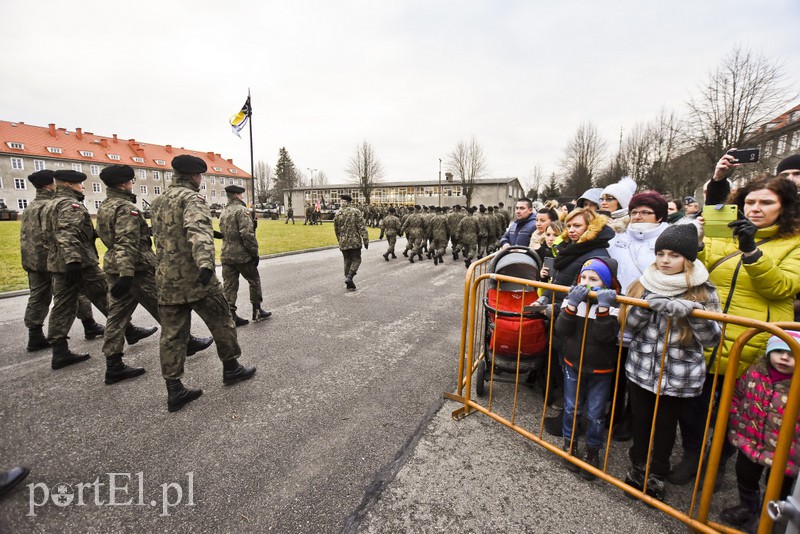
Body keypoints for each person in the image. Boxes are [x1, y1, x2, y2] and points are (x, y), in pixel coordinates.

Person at [673, 172, 800, 488]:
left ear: (784, 207)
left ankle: (716, 463)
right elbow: (698, 268)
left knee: (733, 411)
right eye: (750, 202)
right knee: (693, 403)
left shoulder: (794, 242)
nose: (756, 208)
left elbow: (782, 287)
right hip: (708, 333)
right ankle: (691, 455)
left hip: (752, 340)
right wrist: (697, 242)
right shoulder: (724, 231)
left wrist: (752, 252)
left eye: (766, 202)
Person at [621, 223, 722, 501]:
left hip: (678, 375)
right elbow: (627, 325)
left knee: (665, 425)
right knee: (641, 420)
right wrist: (646, 307)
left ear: (688, 260)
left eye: (674, 255)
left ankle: (657, 473)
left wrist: (692, 314)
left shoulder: (703, 290)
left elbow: (713, 338)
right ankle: (637, 466)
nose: (665, 260)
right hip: (642, 369)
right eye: (661, 253)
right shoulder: (644, 283)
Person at [151, 155, 256, 412]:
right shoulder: (192, 199)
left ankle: (174, 389)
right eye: (201, 177)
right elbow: (197, 231)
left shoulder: (158, 201)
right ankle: (231, 367)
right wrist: (206, 264)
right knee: (221, 321)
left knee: (172, 334)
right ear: (195, 176)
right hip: (196, 276)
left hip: (166, 279)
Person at [96, 164, 213, 385]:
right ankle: (185, 343)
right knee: (168, 311)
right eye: (131, 181)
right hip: (136, 270)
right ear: (123, 183)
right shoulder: (125, 208)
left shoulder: (104, 206)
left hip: (114, 267)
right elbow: (126, 241)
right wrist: (127, 273)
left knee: (116, 316)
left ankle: (113, 364)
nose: (132, 184)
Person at [42, 170, 156, 370]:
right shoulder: (71, 205)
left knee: (62, 305)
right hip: (80, 264)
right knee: (112, 302)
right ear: (69, 184)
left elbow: (47, 236)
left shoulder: (49, 204)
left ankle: (59, 350)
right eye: (79, 183)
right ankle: (130, 335)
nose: (83, 186)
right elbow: (68, 235)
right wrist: (74, 262)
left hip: (58, 264)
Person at [606, 191, 671, 441]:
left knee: (638, 370)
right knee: (614, 366)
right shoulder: (619, 237)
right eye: (634, 212)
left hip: (647, 313)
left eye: (645, 212)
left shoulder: (666, 241)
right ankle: (612, 413)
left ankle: (632, 420)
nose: (638, 217)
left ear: (659, 216)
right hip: (615, 307)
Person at [721, 331, 800, 530]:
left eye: (792, 353)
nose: (784, 357)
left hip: (786, 449)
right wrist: (734, 417)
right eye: (779, 351)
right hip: (750, 438)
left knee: (777, 488)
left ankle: (767, 519)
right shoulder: (754, 372)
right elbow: (737, 395)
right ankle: (748, 508)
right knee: (745, 475)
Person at [20, 169, 104, 352]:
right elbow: (64, 234)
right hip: (57, 257)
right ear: (47, 185)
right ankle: (89, 324)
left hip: (34, 259)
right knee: (73, 294)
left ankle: (35, 334)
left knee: (39, 296)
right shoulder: (57, 205)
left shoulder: (31, 206)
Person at [555, 257, 621, 481]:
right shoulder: (574, 300)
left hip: (601, 369)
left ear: (606, 284)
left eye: (594, 279)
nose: (587, 283)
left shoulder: (613, 306)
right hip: (573, 364)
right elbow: (561, 328)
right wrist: (571, 304)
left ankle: (592, 450)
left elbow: (606, 336)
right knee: (572, 407)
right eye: (583, 277)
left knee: (595, 413)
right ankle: (569, 443)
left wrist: (604, 308)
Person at [219, 185, 271, 326]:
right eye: (241, 194)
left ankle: (231, 315)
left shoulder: (224, 211)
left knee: (229, 285)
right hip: (242, 255)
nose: (242, 197)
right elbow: (247, 234)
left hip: (226, 254)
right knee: (254, 280)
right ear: (236, 195)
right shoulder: (242, 211)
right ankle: (257, 309)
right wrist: (254, 253)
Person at [333, 194, 369, 289]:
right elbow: (362, 227)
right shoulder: (355, 212)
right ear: (349, 202)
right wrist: (365, 240)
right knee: (357, 260)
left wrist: (340, 240)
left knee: (347, 260)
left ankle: (348, 280)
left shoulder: (338, 213)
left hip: (343, 241)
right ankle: (349, 277)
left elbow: (336, 229)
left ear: (343, 202)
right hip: (354, 241)